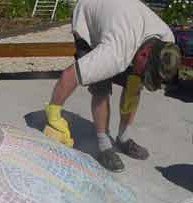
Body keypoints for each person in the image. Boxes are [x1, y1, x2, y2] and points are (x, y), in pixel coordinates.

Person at [44, 0, 181, 172]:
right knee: (100, 87)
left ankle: (123, 138)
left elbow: (141, 75)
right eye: (147, 72)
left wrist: (139, 76)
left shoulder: (167, 39)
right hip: (88, 13)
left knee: (134, 85)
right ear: (144, 53)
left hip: (120, 15)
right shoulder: (113, 55)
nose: (145, 76)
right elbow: (69, 76)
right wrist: (54, 113)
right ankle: (104, 146)